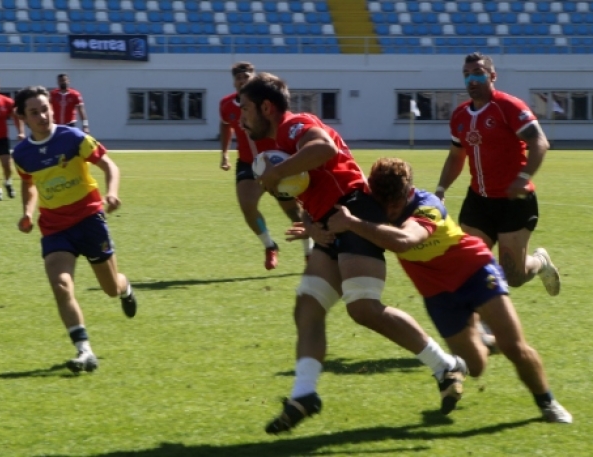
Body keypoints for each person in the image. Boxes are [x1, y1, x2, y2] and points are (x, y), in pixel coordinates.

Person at [238, 72, 464, 434]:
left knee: (363, 308)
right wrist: (312, 225)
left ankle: (445, 365)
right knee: (308, 304)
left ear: (267, 107)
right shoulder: (276, 141)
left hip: (356, 211)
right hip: (332, 221)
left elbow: (324, 149)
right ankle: (304, 394)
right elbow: (315, 185)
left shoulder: (294, 125)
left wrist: (277, 173)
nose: (242, 117)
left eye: (246, 108)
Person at [317, 157, 572, 423]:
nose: (390, 211)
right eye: (385, 206)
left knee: (514, 346)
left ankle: (548, 403)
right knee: (475, 367)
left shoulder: (428, 206)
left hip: (476, 273)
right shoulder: (371, 202)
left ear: (408, 193)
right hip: (438, 296)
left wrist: (352, 224)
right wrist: (314, 228)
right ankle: (485, 340)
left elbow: (405, 241)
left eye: (395, 205)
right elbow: (327, 205)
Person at [12, 85, 137, 374]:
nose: (42, 115)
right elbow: (29, 183)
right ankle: (85, 350)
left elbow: (109, 166)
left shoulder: (73, 138)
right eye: (34, 112)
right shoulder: (21, 154)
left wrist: (112, 192)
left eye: (45, 108)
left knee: (110, 289)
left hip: (89, 220)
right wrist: (27, 213)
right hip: (55, 227)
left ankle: (125, 286)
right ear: (23, 118)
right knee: (60, 285)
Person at [435, 52, 560, 297]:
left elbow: (540, 143)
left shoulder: (508, 107)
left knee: (514, 276)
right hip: (478, 201)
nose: (472, 79)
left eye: (478, 73)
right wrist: (440, 190)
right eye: (467, 75)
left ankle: (540, 262)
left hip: (513, 202)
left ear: (492, 76)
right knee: (468, 267)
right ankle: (483, 325)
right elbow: (455, 156)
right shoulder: (460, 115)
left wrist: (523, 178)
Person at [219, 61, 311, 270]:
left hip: (277, 160)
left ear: (254, 78)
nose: (242, 81)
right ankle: (270, 246)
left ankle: (309, 250)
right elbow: (225, 126)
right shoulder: (226, 105)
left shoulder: (267, 103)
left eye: (246, 77)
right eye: (238, 78)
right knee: (247, 205)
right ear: (234, 81)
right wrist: (224, 154)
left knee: (294, 212)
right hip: (248, 163)